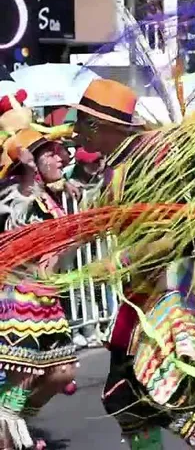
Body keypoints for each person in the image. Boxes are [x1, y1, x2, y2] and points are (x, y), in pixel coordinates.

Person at [71, 79, 195, 450]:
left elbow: (188, 226)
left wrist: (122, 260)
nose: (74, 130)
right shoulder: (125, 165)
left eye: (81, 122)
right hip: (146, 297)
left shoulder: (153, 162)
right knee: (128, 402)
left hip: (171, 295)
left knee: (173, 402)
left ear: (99, 126)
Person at [0, 129, 77, 449]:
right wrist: (29, 174)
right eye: (50, 153)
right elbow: (14, 227)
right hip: (20, 299)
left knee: (63, 372)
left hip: (46, 300)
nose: (61, 157)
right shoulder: (18, 192)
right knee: (23, 374)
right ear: (30, 161)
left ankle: (12, 421)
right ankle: (8, 431)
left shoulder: (47, 194)